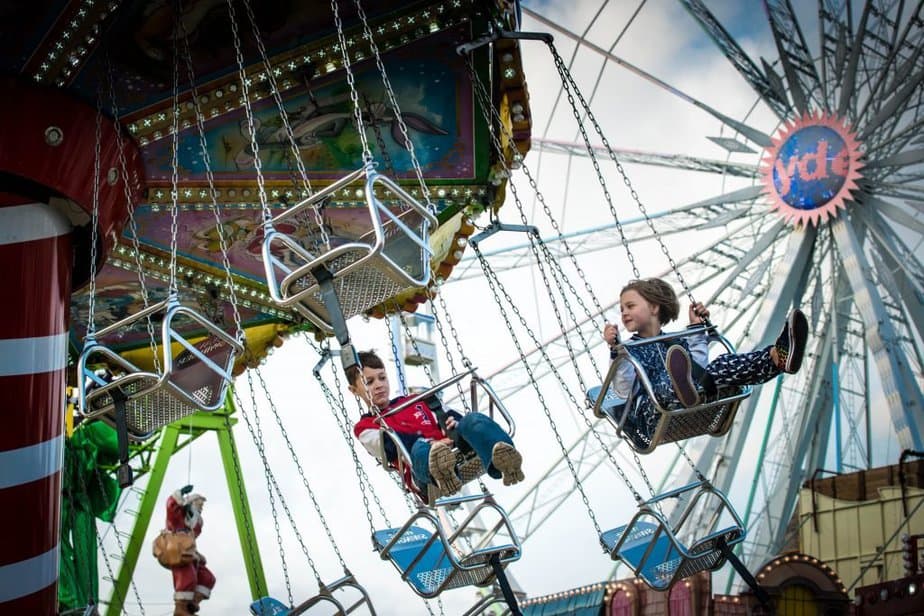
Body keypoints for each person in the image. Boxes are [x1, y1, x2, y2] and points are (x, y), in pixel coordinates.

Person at [602, 278, 808, 437]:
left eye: (630, 306)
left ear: (654, 308)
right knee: (665, 382)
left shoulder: (677, 343)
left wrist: (697, 328)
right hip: (653, 416)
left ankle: (777, 358)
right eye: (622, 309)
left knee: (720, 365)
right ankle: (683, 388)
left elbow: (700, 365)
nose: (623, 313)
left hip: (695, 404)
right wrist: (616, 351)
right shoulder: (628, 351)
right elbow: (624, 389)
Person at [348, 350, 524, 504]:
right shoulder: (365, 427)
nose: (379, 385)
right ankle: (442, 474)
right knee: (419, 448)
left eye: (382, 378)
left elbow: (447, 415)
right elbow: (391, 447)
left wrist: (453, 424)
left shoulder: (416, 400)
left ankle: (504, 459)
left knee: (473, 420)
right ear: (354, 390)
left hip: (456, 448)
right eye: (369, 382)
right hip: (421, 469)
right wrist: (433, 444)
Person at [165, 485, 215, 616]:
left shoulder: (195, 522)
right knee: (187, 577)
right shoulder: (180, 515)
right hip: (178, 549)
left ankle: (192, 604)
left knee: (207, 577)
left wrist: (197, 553)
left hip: (189, 550)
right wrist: (180, 494)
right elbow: (171, 506)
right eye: (199, 504)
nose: (201, 507)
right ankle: (180, 608)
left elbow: (192, 539)